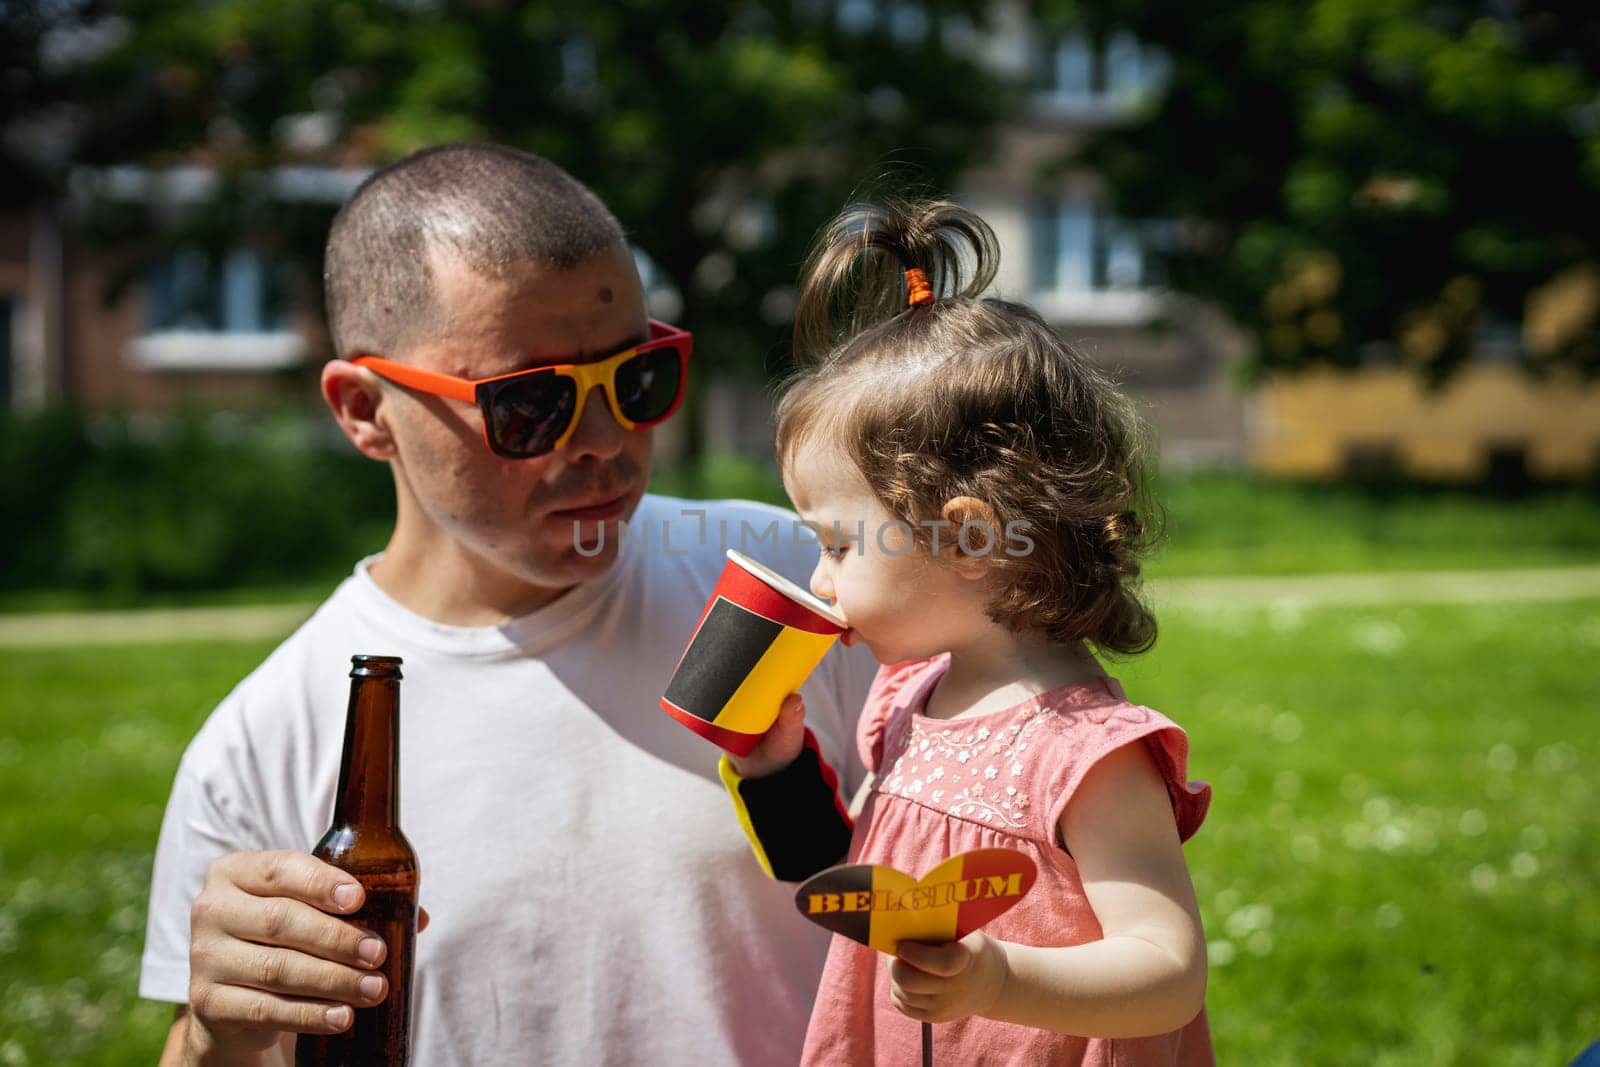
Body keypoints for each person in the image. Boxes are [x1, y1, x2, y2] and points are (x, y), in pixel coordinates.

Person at [139, 142, 878, 1066]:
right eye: (531, 405)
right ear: (366, 410)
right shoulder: (267, 740)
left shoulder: (806, 580)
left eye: (637, 376)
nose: (606, 440)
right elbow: (215, 1049)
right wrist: (218, 1035)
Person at [721, 198, 1214, 1064]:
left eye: (838, 543)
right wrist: (776, 773)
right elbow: (863, 882)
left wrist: (1001, 980)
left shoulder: (1087, 755)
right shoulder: (907, 698)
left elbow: (1169, 970)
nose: (820, 581)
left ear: (973, 536)